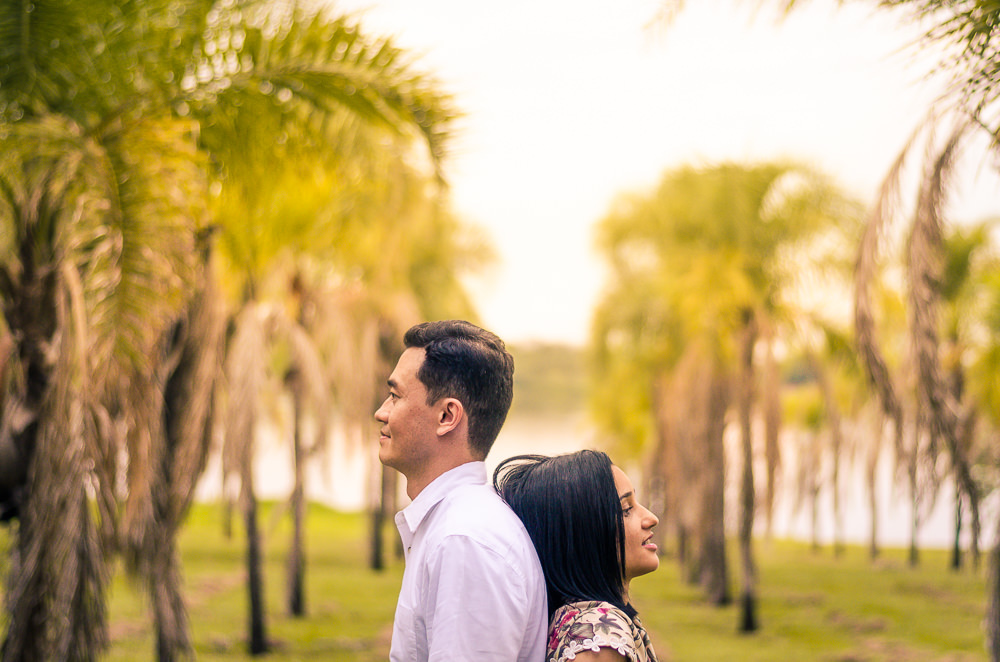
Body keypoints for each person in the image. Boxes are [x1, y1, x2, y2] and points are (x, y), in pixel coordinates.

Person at [374, 320, 547, 661]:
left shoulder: (465, 539)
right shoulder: (457, 525)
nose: (381, 412)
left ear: (447, 416)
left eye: (395, 396)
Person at [493, 450, 661, 662]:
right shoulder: (600, 641)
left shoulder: (578, 621)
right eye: (626, 509)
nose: (651, 518)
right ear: (585, 533)